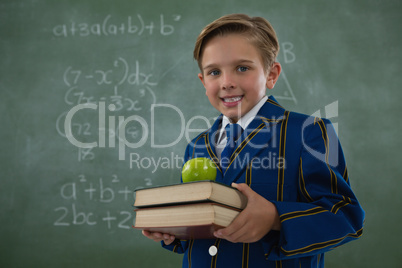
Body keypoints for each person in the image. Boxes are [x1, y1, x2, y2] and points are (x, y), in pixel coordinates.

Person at [142, 13, 365, 267]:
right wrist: (173, 234)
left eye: (242, 68)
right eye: (214, 72)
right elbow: (201, 227)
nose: (227, 82)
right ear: (203, 82)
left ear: (271, 74)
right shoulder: (197, 146)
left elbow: (346, 217)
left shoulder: (308, 131)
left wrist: (275, 217)